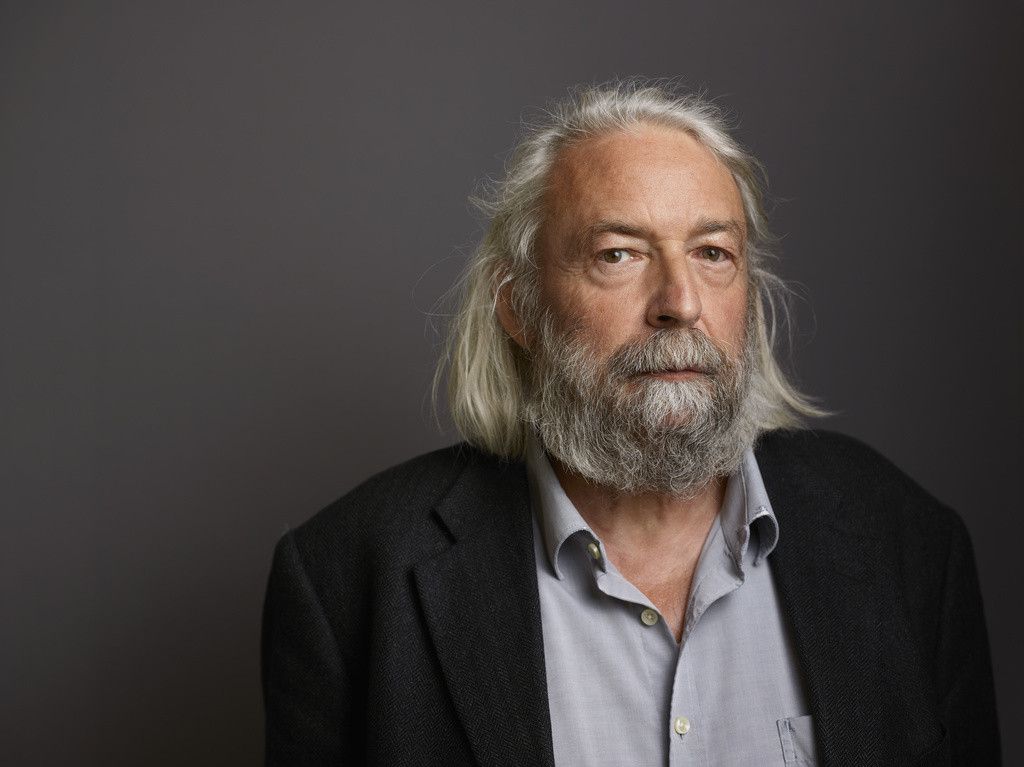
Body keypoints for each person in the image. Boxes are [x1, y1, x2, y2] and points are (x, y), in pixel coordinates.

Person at [260, 81, 1000, 766]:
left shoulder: (910, 545)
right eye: (619, 254)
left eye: (713, 253)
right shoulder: (346, 582)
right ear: (518, 305)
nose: (680, 300)